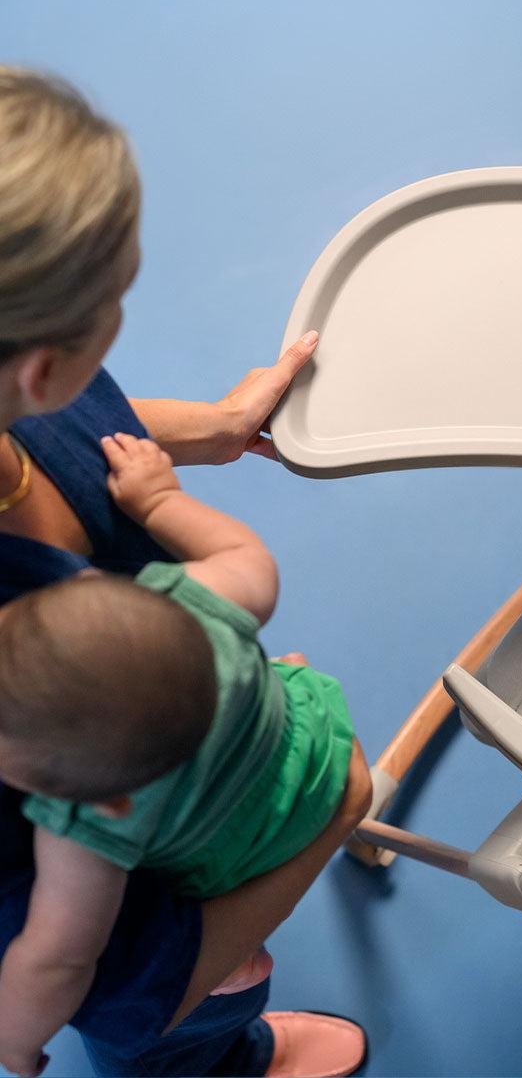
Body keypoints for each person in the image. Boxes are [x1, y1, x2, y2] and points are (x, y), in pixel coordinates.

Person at [0, 65, 372, 1076]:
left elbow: (66, 425)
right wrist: (336, 808)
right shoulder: (184, 620)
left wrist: (208, 427)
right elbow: (106, 977)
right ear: (40, 366)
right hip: (211, 892)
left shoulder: (78, 784)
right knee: (192, 1024)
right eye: (114, 301)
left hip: (200, 822)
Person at [0, 431, 366, 1077]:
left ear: (106, 801)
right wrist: (160, 500)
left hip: (243, 861)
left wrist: (15, 1040)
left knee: (203, 986)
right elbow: (244, 552)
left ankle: (227, 1005)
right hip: (320, 751)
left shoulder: (86, 827)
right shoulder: (198, 605)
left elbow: (57, 958)